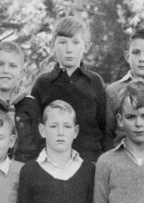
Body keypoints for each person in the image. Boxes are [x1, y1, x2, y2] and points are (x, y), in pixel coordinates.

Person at [30, 16, 108, 162]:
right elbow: (34, 128)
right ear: (52, 45)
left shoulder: (95, 82)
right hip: (52, 162)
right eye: (62, 42)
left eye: (75, 42)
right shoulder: (43, 83)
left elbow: (105, 127)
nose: (69, 49)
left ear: (86, 46)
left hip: (90, 161)